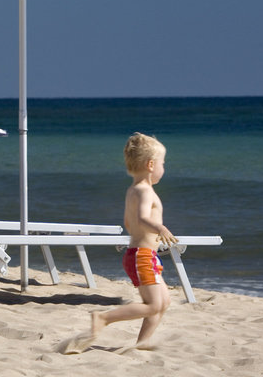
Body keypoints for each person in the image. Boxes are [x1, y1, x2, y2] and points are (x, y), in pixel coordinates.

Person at [60, 132, 179, 353]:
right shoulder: (145, 191)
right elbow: (142, 218)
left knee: (163, 302)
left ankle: (142, 343)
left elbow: (128, 222)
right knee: (154, 305)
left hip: (142, 255)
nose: (164, 167)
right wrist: (160, 228)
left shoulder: (133, 190)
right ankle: (103, 318)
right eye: (163, 163)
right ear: (151, 165)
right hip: (142, 256)